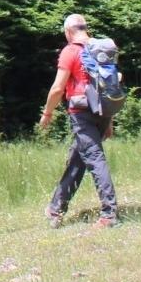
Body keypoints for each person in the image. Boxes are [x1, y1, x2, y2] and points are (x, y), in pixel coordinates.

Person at [37, 14, 119, 228]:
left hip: (81, 113)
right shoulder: (100, 49)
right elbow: (108, 85)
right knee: (77, 159)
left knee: (94, 158)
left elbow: (57, 88)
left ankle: (109, 214)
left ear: (68, 31)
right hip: (102, 111)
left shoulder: (70, 51)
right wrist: (108, 120)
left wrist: (47, 113)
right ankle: (56, 209)